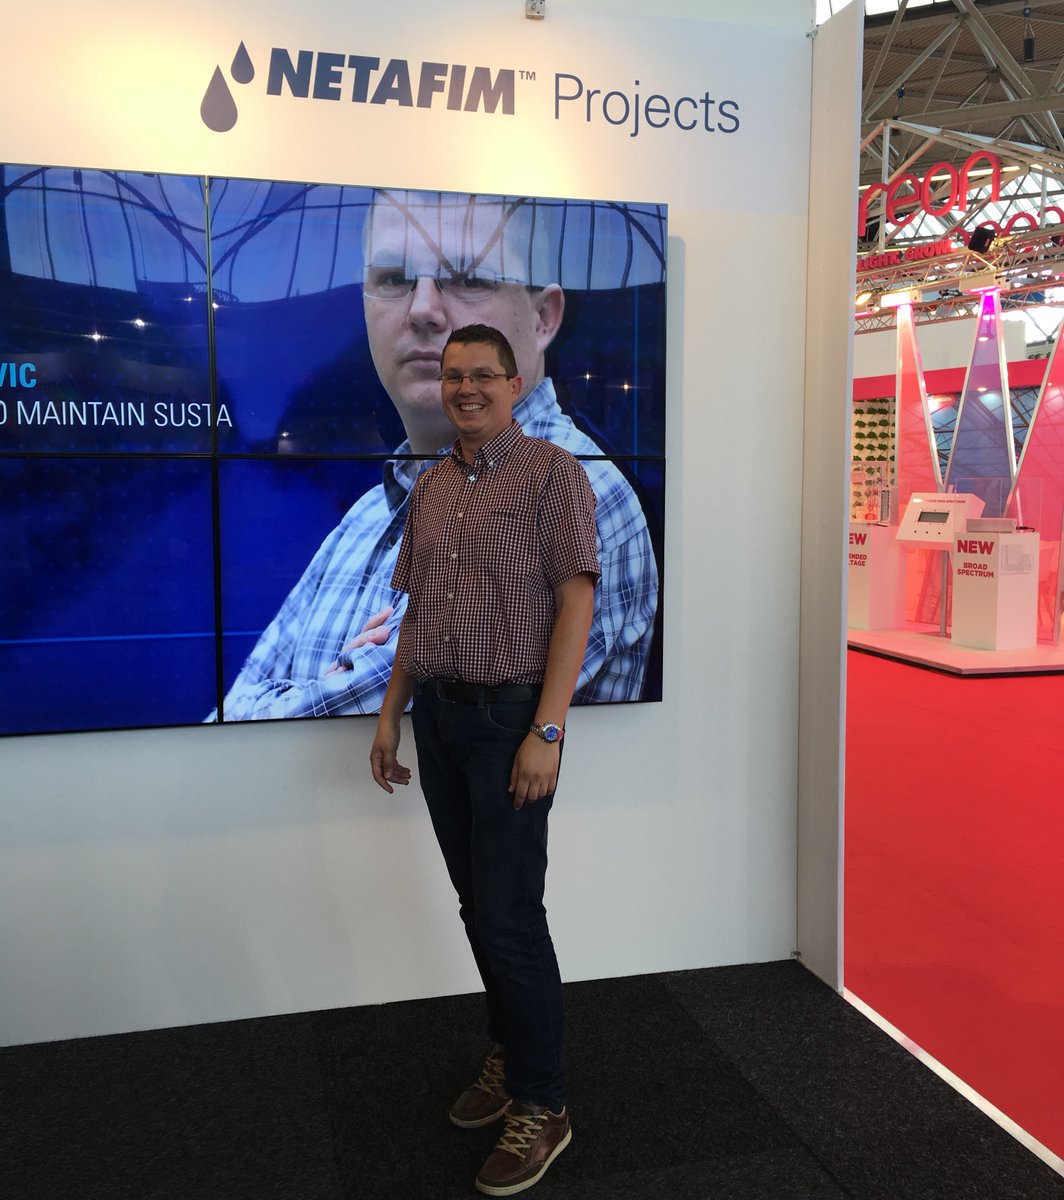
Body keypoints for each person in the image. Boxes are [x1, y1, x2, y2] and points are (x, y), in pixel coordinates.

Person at [217, 189, 657, 720]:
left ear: (544, 317)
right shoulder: (368, 514)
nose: (423, 309)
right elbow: (228, 718)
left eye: (468, 278)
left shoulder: (575, 489)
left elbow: (320, 728)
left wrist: (311, 694)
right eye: (393, 278)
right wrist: (321, 692)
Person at [371, 323, 595, 1195]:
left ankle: (545, 1102)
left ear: (514, 382)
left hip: (510, 725)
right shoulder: (431, 486)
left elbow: (575, 604)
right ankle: (510, 1054)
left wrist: (548, 731)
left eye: (482, 375)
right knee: (478, 908)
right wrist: (391, 716)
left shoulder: (553, 475)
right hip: (439, 718)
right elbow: (416, 614)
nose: (465, 388)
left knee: (510, 918)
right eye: (453, 376)